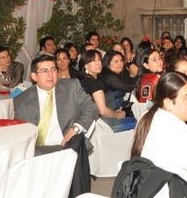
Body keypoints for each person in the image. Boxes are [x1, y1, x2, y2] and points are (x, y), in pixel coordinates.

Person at [14, 55, 98, 197]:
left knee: (76, 143)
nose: (50, 74)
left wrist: (75, 128)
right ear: (34, 76)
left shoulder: (71, 87)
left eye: (53, 69)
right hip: (37, 149)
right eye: (44, 71)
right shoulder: (22, 100)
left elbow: (91, 108)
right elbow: (19, 131)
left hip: (67, 144)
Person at [79, 49, 136, 132]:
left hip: (97, 122)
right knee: (140, 121)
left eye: (99, 60)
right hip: (102, 126)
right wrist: (118, 115)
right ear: (85, 66)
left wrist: (114, 112)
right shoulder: (93, 83)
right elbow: (102, 110)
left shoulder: (87, 80)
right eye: (93, 61)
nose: (98, 63)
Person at [100, 50, 138, 115]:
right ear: (108, 63)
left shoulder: (121, 74)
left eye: (121, 60)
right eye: (116, 61)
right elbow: (127, 87)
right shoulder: (108, 76)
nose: (120, 63)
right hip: (109, 113)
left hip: (118, 110)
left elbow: (131, 82)